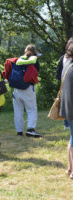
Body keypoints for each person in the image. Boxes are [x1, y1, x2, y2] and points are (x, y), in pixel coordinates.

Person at [3, 44, 41, 137]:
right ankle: (30, 129)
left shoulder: (17, 61)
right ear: (34, 52)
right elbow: (36, 72)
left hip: (16, 89)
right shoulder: (34, 61)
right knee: (31, 109)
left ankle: (19, 131)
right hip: (27, 88)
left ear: (25, 51)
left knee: (18, 110)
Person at [59, 42, 73, 179]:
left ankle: (70, 168)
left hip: (68, 108)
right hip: (71, 108)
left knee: (72, 138)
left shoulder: (67, 65)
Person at [56, 37, 73, 130]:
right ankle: (67, 124)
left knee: (65, 101)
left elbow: (58, 72)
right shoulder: (65, 58)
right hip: (67, 83)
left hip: (64, 82)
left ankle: (66, 123)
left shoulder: (63, 57)